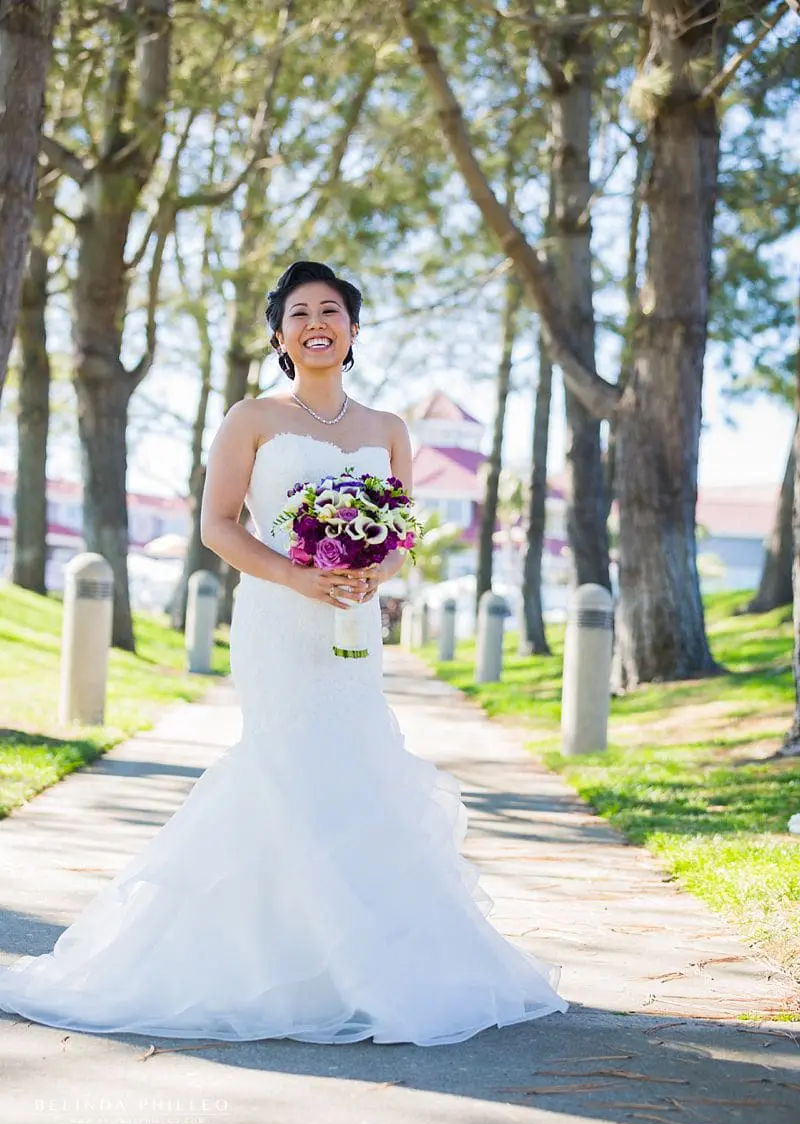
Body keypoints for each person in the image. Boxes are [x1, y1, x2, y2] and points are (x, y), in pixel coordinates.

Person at [0, 261, 567, 1045]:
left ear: (354, 330)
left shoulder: (388, 430)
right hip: (278, 617)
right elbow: (218, 524)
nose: (315, 322)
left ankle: (364, 968)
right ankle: (265, 967)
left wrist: (373, 572)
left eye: (330, 309)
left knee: (357, 765)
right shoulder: (252, 419)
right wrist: (298, 576)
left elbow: (399, 535)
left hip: (353, 624)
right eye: (298, 312)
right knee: (284, 766)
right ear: (280, 335)